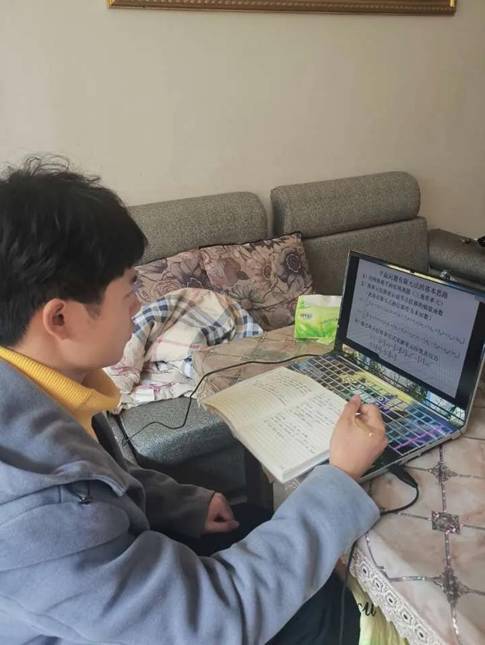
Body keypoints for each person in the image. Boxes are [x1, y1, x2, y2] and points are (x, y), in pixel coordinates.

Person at [0, 157, 387, 645]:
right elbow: (209, 622)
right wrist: (339, 477)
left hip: (118, 595)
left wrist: (180, 503)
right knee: (331, 611)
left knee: (255, 522)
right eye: (128, 291)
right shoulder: (35, 510)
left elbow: (95, 480)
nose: (138, 306)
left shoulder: (37, 386)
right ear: (59, 319)